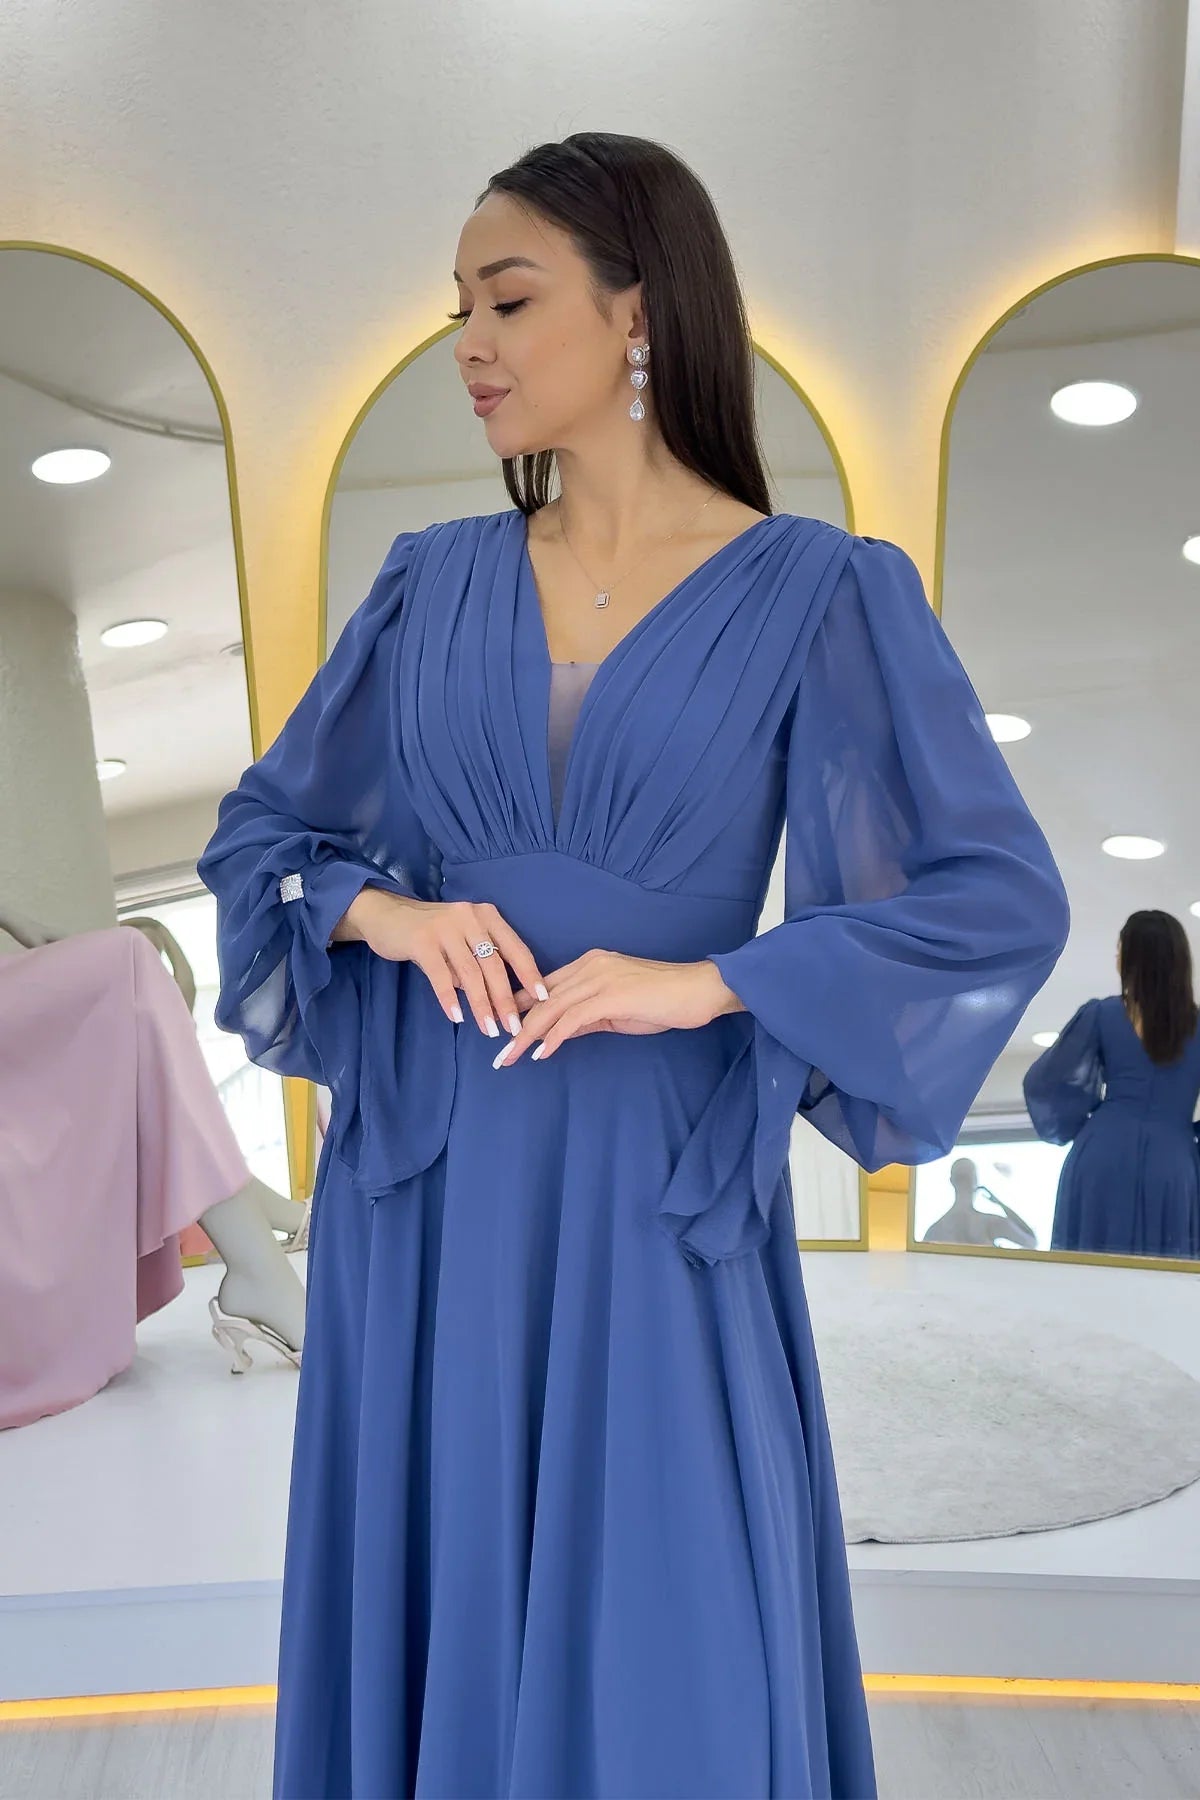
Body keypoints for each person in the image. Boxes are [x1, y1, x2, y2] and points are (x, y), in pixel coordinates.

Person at [199, 132, 1069, 1800]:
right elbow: (260, 840)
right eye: (459, 307)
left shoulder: (822, 593)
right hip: (427, 1192)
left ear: (640, 310)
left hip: (653, 1188)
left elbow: (994, 895)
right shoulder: (427, 584)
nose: (470, 343)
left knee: (670, 1631)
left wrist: (718, 981)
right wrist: (386, 914)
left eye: (509, 299)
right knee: (441, 1602)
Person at [1025, 909, 1200, 1260]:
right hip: (1174, 1160)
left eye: (1120, 949)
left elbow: (1048, 1082)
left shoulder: (1101, 1014)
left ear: (1133, 958)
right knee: (1167, 1280)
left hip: (1103, 1152)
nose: (1116, 958)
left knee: (1091, 1275)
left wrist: (1082, 1122)